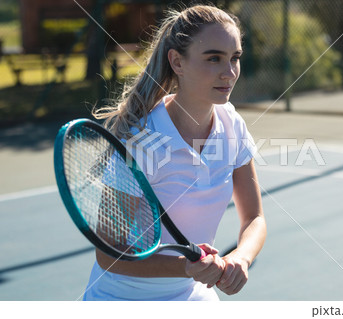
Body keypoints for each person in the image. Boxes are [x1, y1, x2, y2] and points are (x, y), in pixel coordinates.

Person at [83, 4, 266, 301]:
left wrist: (241, 258)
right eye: (214, 58)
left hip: (192, 294)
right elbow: (109, 254)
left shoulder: (232, 124)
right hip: (122, 300)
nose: (230, 72)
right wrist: (186, 267)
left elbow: (255, 217)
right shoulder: (141, 139)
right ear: (177, 62)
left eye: (235, 58)